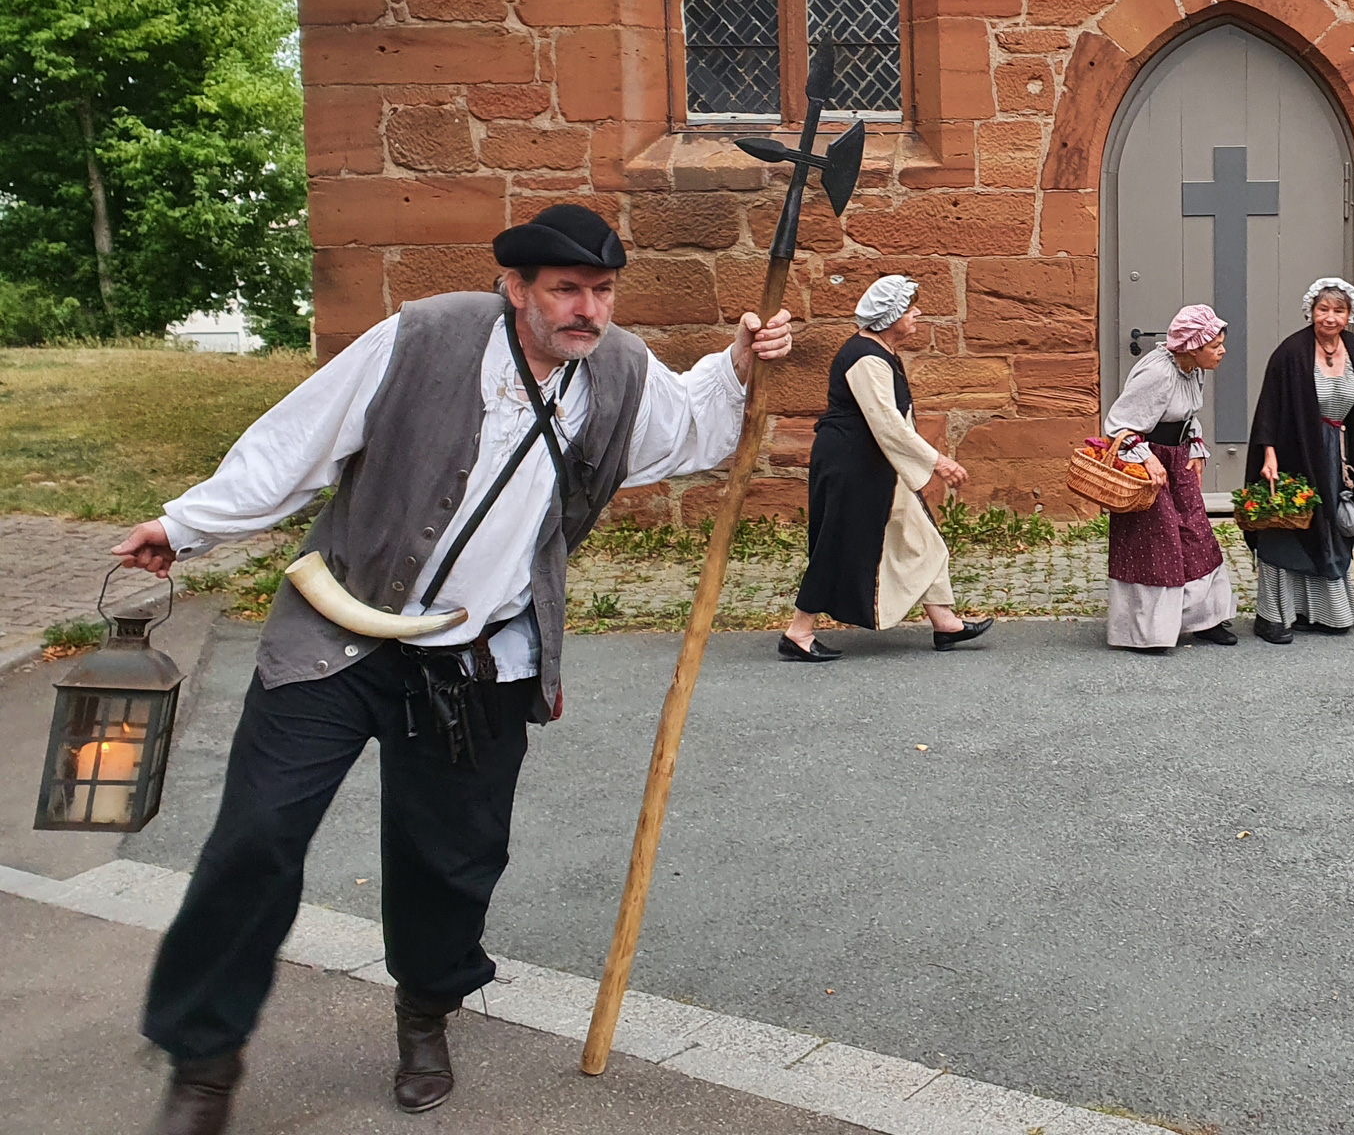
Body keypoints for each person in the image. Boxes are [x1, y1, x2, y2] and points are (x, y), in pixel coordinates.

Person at [109, 204, 794, 1135]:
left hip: (480, 660)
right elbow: (297, 439)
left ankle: (426, 1012)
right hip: (336, 636)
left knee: (451, 860)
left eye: (601, 291)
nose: (587, 310)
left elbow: (689, 431)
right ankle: (202, 1059)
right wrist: (186, 525)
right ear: (514, 288)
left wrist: (739, 364)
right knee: (256, 837)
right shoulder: (424, 337)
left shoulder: (619, 369)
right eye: (566, 291)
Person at [781, 276, 992, 661]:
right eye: (909, 308)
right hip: (850, 465)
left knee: (922, 537)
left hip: (874, 462)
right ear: (891, 317)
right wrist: (938, 461)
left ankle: (945, 623)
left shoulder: (879, 351)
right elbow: (888, 424)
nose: (917, 313)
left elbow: (894, 424)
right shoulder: (865, 358)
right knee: (837, 544)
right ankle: (799, 631)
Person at [1244, 278, 1354, 644]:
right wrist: (1268, 453)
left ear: (1349, 315)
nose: (1330, 317)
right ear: (1311, 311)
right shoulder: (1290, 352)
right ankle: (1272, 617)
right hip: (1296, 451)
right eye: (1323, 309)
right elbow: (1269, 407)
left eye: (1339, 311)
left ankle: (1323, 613)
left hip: (1338, 454)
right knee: (1288, 528)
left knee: (1332, 528)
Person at [1100, 304, 1239, 653]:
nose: (1222, 351)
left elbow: (1186, 414)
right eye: (1215, 345)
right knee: (1156, 544)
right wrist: (1147, 458)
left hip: (1178, 461)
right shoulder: (1158, 373)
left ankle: (1204, 619)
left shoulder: (1193, 369)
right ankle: (1149, 631)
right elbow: (1118, 423)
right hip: (1149, 466)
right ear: (1192, 347)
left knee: (1196, 534)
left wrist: (1195, 447)